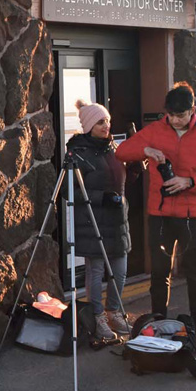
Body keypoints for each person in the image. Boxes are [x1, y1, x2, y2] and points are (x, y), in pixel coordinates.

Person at [116, 81, 196, 355]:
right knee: (159, 274)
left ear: (192, 111)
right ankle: (156, 326)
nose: (175, 120)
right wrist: (145, 151)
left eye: (181, 115)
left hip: (193, 218)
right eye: (171, 115)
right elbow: (121, 152)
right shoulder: (155, 130)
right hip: (161, 215)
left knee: (195, 276)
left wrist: (189, 182)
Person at [66, 101, 131, 342]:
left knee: (120, 271)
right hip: (92, 220)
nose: (107, 126)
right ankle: (97, 316)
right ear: (89, 125)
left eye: (107, 121)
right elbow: (67, 190)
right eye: (101, 122)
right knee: (96, 271)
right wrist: (101, 197)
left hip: (117, 219)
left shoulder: (113, 148)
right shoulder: (78, 152)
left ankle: (114, 311)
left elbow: (121, 181)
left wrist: (133, 170)